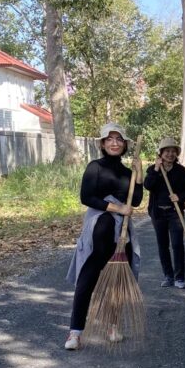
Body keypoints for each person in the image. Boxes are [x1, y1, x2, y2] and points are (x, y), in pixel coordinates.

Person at [64, 123, 143, 351]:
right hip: (99, 228)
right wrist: (117, 209)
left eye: (119, 139)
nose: (114, 143)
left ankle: (112, 325)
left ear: (125, 144)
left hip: (122, 231)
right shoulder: (95, 167)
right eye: (109, 139)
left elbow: (136, 201)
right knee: (87, 278)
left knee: (117, 280)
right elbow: (86, 197)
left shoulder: (128, 172)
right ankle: (75, 332)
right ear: (102, 143)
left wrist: (139, 176)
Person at [143, 137, 185, 289]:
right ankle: (168, 276)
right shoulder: (153, 169)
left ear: (176, 154)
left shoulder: (181, 171)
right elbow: (148, 185)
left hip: (174, 213)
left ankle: (179, 278)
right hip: (158, 213)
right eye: (167, 151)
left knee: (177, 244)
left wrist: (179, 197)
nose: (170, 154)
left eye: (173, 151)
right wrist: (157, 169)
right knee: (162, 245)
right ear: (161, 153)